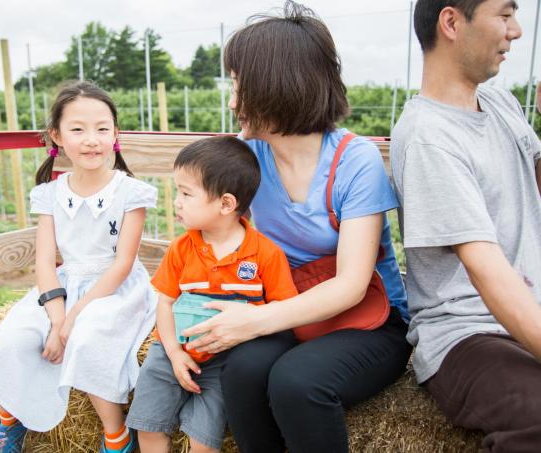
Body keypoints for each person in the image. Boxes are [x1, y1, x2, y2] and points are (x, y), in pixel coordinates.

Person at [179, 2, 412, 452]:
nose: (231, 102)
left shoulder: (354, 160)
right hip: (291, 306)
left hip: (368, 320)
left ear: (274, 86)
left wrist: (254, 321)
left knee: (296, 382)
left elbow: (350, 286)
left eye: (237, 85)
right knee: (243, 371)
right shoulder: (249, 161)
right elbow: (205, 226)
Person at [0, 81, 158, 453]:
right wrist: (57, 320)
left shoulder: (130, 192)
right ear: (57, 136)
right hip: (63, 284)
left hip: (114, 288)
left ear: (115, 134)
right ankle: (9, 423)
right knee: (17, 336)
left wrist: (72, 321)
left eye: (102, 129)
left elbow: (122, 264)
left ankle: (116, 436)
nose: (92, 139)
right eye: (78, 129)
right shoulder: (50, 194)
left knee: (87, 339)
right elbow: (44, 261)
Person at [390, 0, 541, 450]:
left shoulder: (498, 101)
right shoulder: (428, 138)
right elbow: (486, 270)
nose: (515, 31)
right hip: (468, 332)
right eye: (504, 14)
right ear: (452, 22)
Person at [126, 136, 299, 453]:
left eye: (186, 193)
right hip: (170, 355)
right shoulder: (181, 249)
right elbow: (164, 301)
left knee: (204, 444)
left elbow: (283, 310)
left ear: (226, 204)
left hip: (225, 363)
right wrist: (175, 353)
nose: (176, 201)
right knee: (148, 430)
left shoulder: (264, 254)